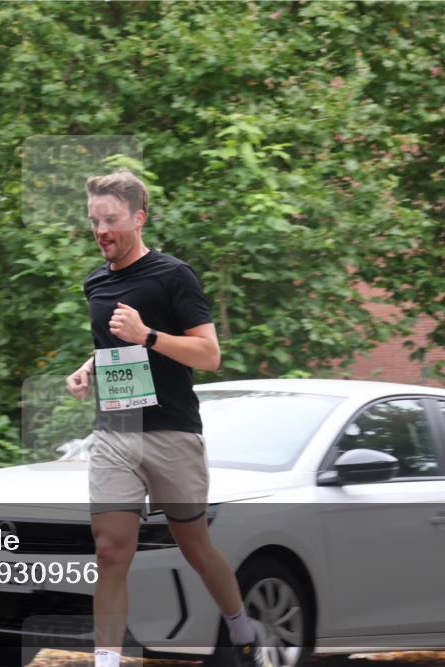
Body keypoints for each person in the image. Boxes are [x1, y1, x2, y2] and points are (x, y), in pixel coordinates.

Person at [66, 170, 273, 667]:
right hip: (115, 432)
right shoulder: (95, 282)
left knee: (196, 546)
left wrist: (148, 335)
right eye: (94, 222)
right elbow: (112, 348)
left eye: (111, 220)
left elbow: (209, 355)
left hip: (171, 433)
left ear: (139, 217)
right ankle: (107, 661)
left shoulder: (173, 276)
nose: (101, 231)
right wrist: (89, 367)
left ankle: (242, 631)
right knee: (111, 551)